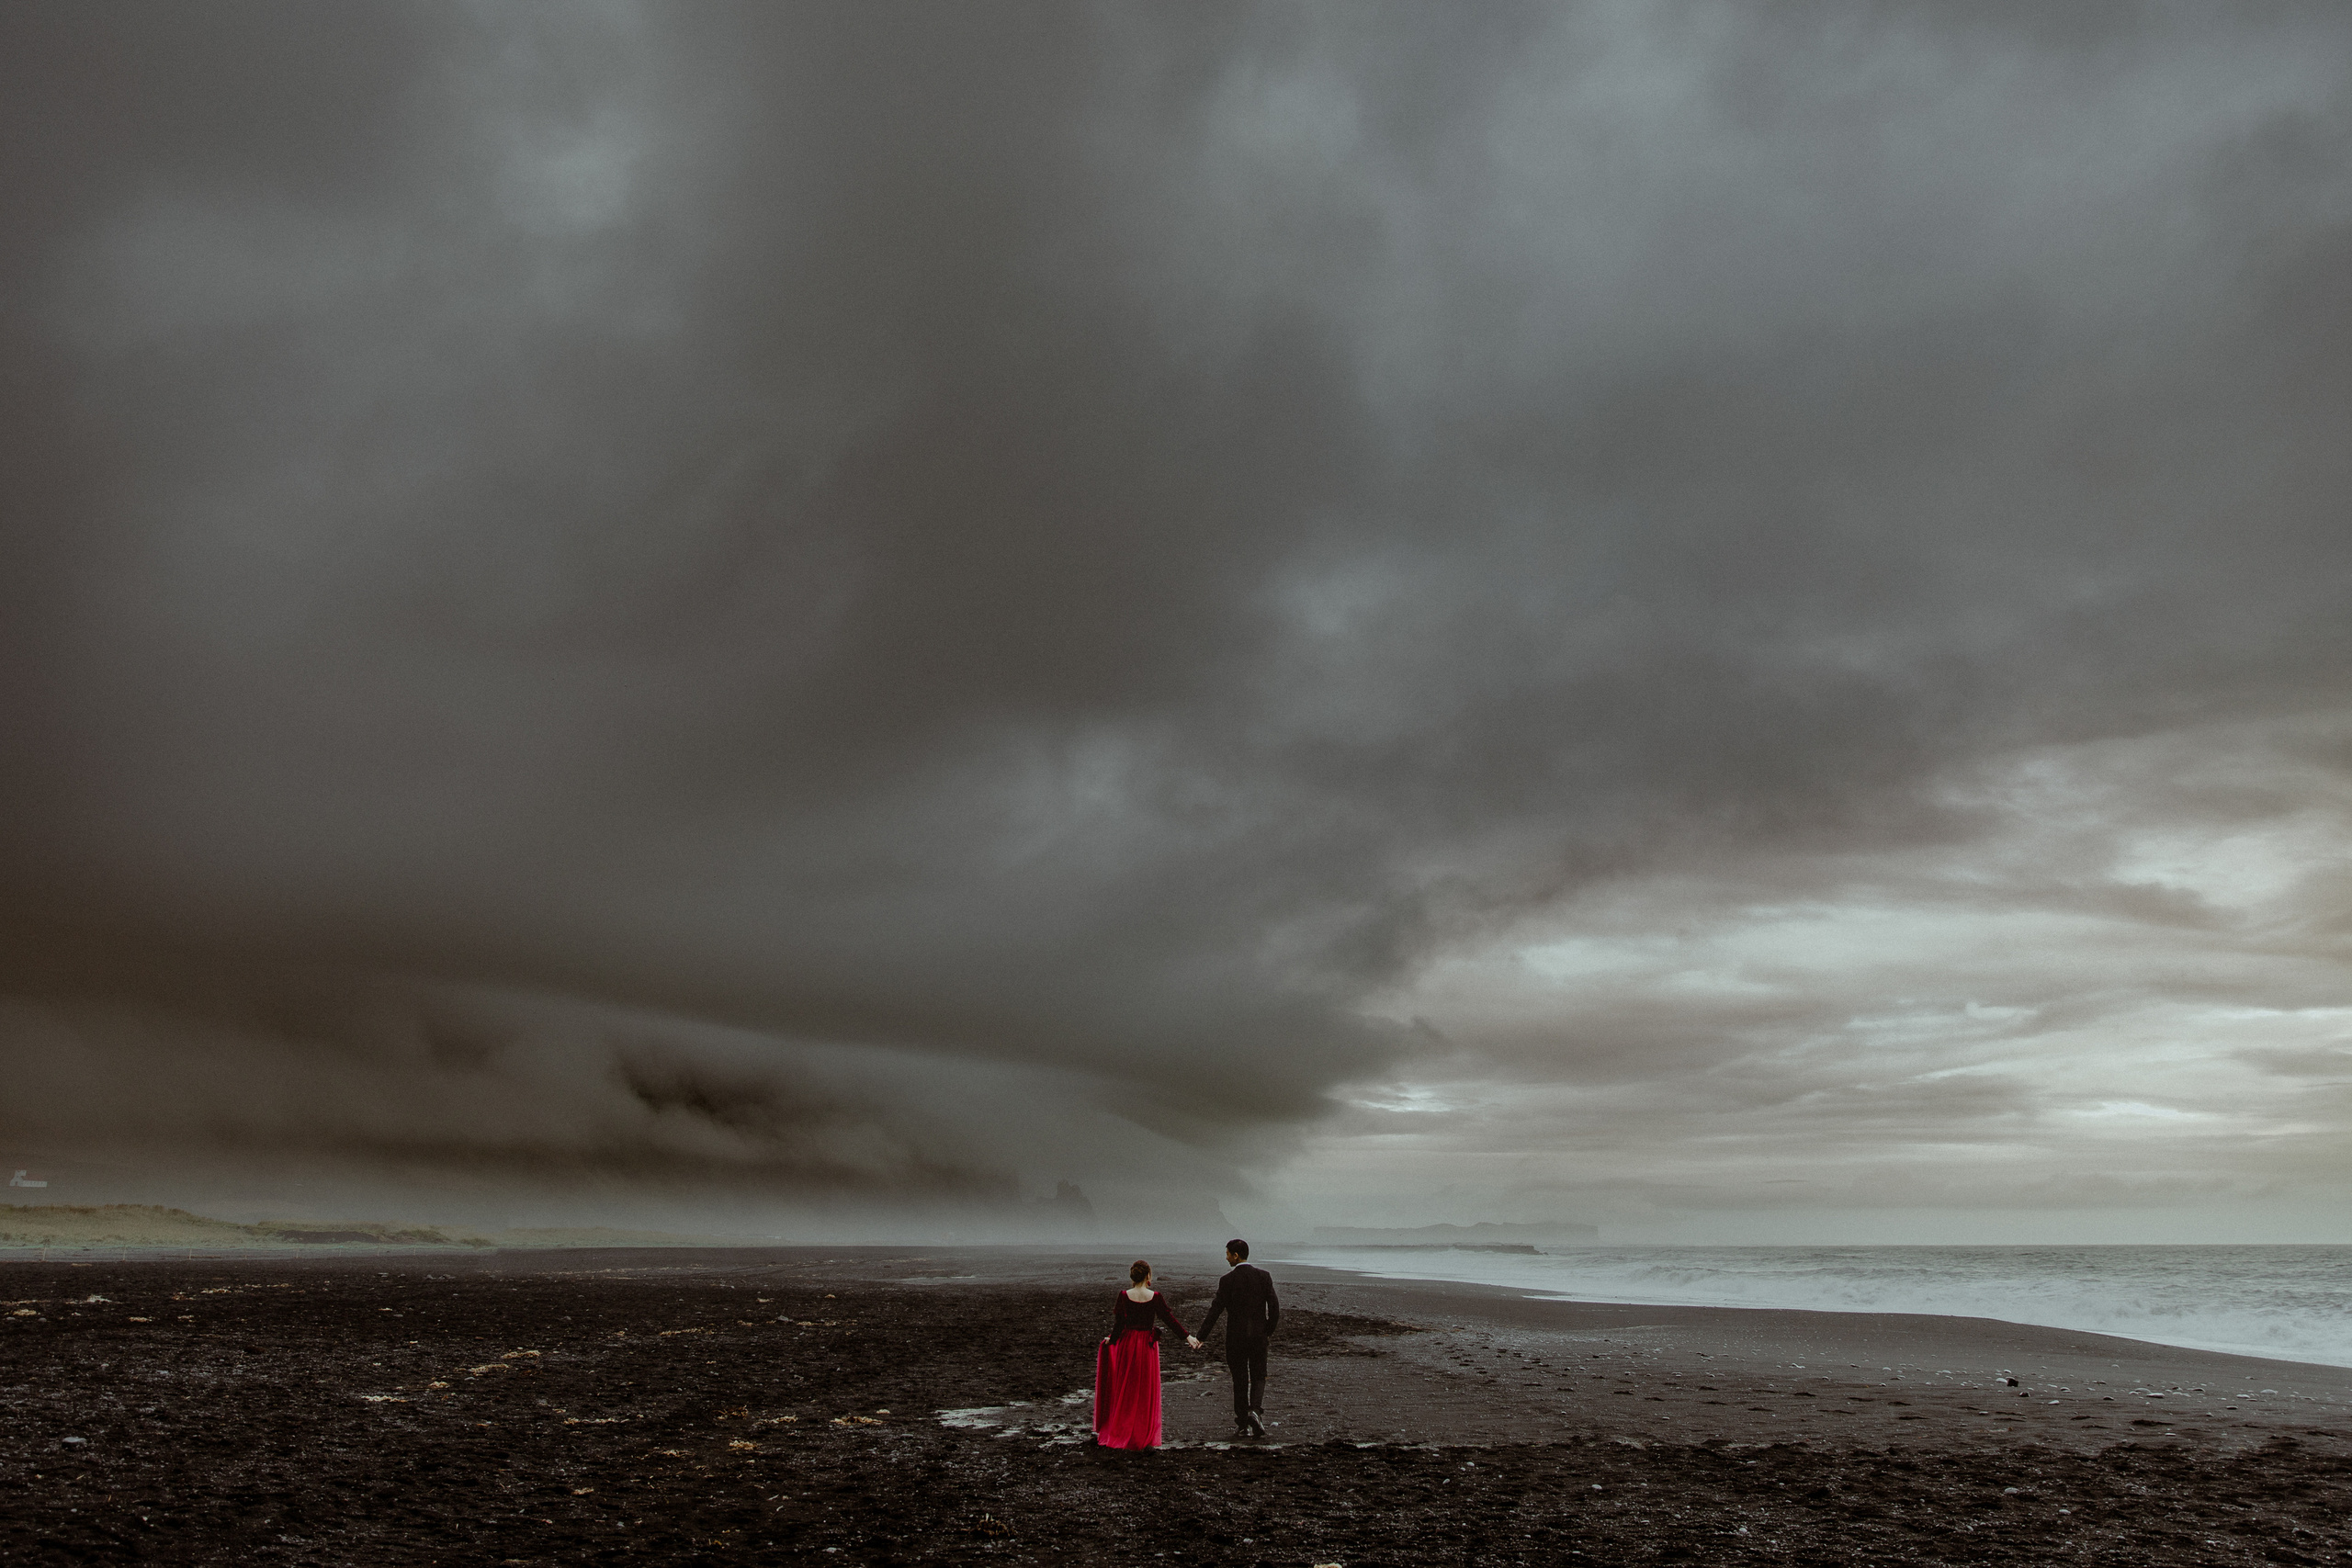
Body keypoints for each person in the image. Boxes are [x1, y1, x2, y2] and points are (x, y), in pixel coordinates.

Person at [1091, 1259, 1197, 1450]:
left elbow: (1119, 1324)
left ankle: (1123, 1429)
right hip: (1147, 1347)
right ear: (1148, 1276)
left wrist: (1111, 1341)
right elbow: (1169, 1319)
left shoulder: (1124, 1295)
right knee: (1145, 1390)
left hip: (1127, 1344)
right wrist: (1187, 1337)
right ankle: (1143, 1432)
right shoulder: (1155, 1296)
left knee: (1126, 1388)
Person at [1193, 1237, 1279, 1438]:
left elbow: (1216, 1310)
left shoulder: (1227, 1280)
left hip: (1235, 1338)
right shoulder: (1264, 1277)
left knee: (1240, 1379)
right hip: (1258, 1337)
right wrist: (1267, 1330)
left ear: (1236, 1255)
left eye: (1227, 1254)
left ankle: (1243, 1425)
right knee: (1258, 1376)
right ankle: (1255, 1412)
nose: (1226, 1258)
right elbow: (1274, 1308)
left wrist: (1201, 1337)